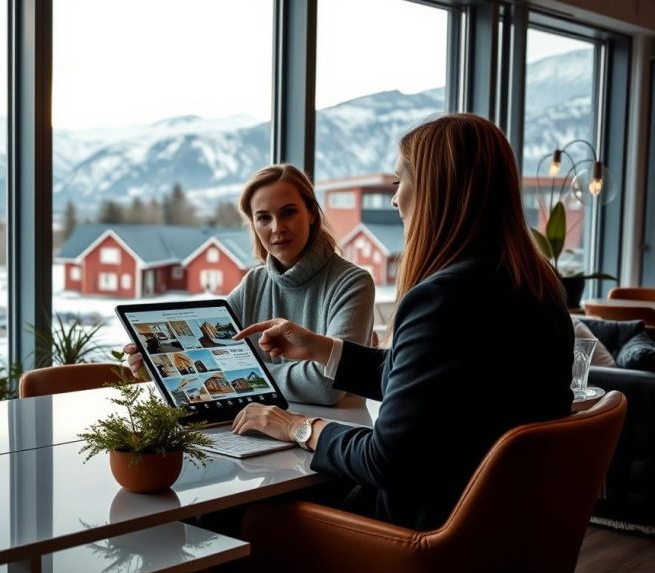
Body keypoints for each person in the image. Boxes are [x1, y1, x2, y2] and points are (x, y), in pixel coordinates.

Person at [231, 113, 574, 531]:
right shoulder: (535, 283)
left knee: (250, 519)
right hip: (501, 524)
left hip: (428, 530)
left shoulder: (444, 298)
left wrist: (296, 427)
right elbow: (424, 384)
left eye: (398, 183)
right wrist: (321, 348)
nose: (394, 200)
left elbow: (386, 459)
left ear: (434, 188)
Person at [125, 163, 375, 405]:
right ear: (254, 225)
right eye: (264, 218)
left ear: (311, 213)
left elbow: (327, 385)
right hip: (258, 425)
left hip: (331, 433)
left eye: (288, 212)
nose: (277, 228)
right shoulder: (254, 283)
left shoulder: (353, 284)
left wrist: (251, 377)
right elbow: (205, 355)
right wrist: (159, 365)